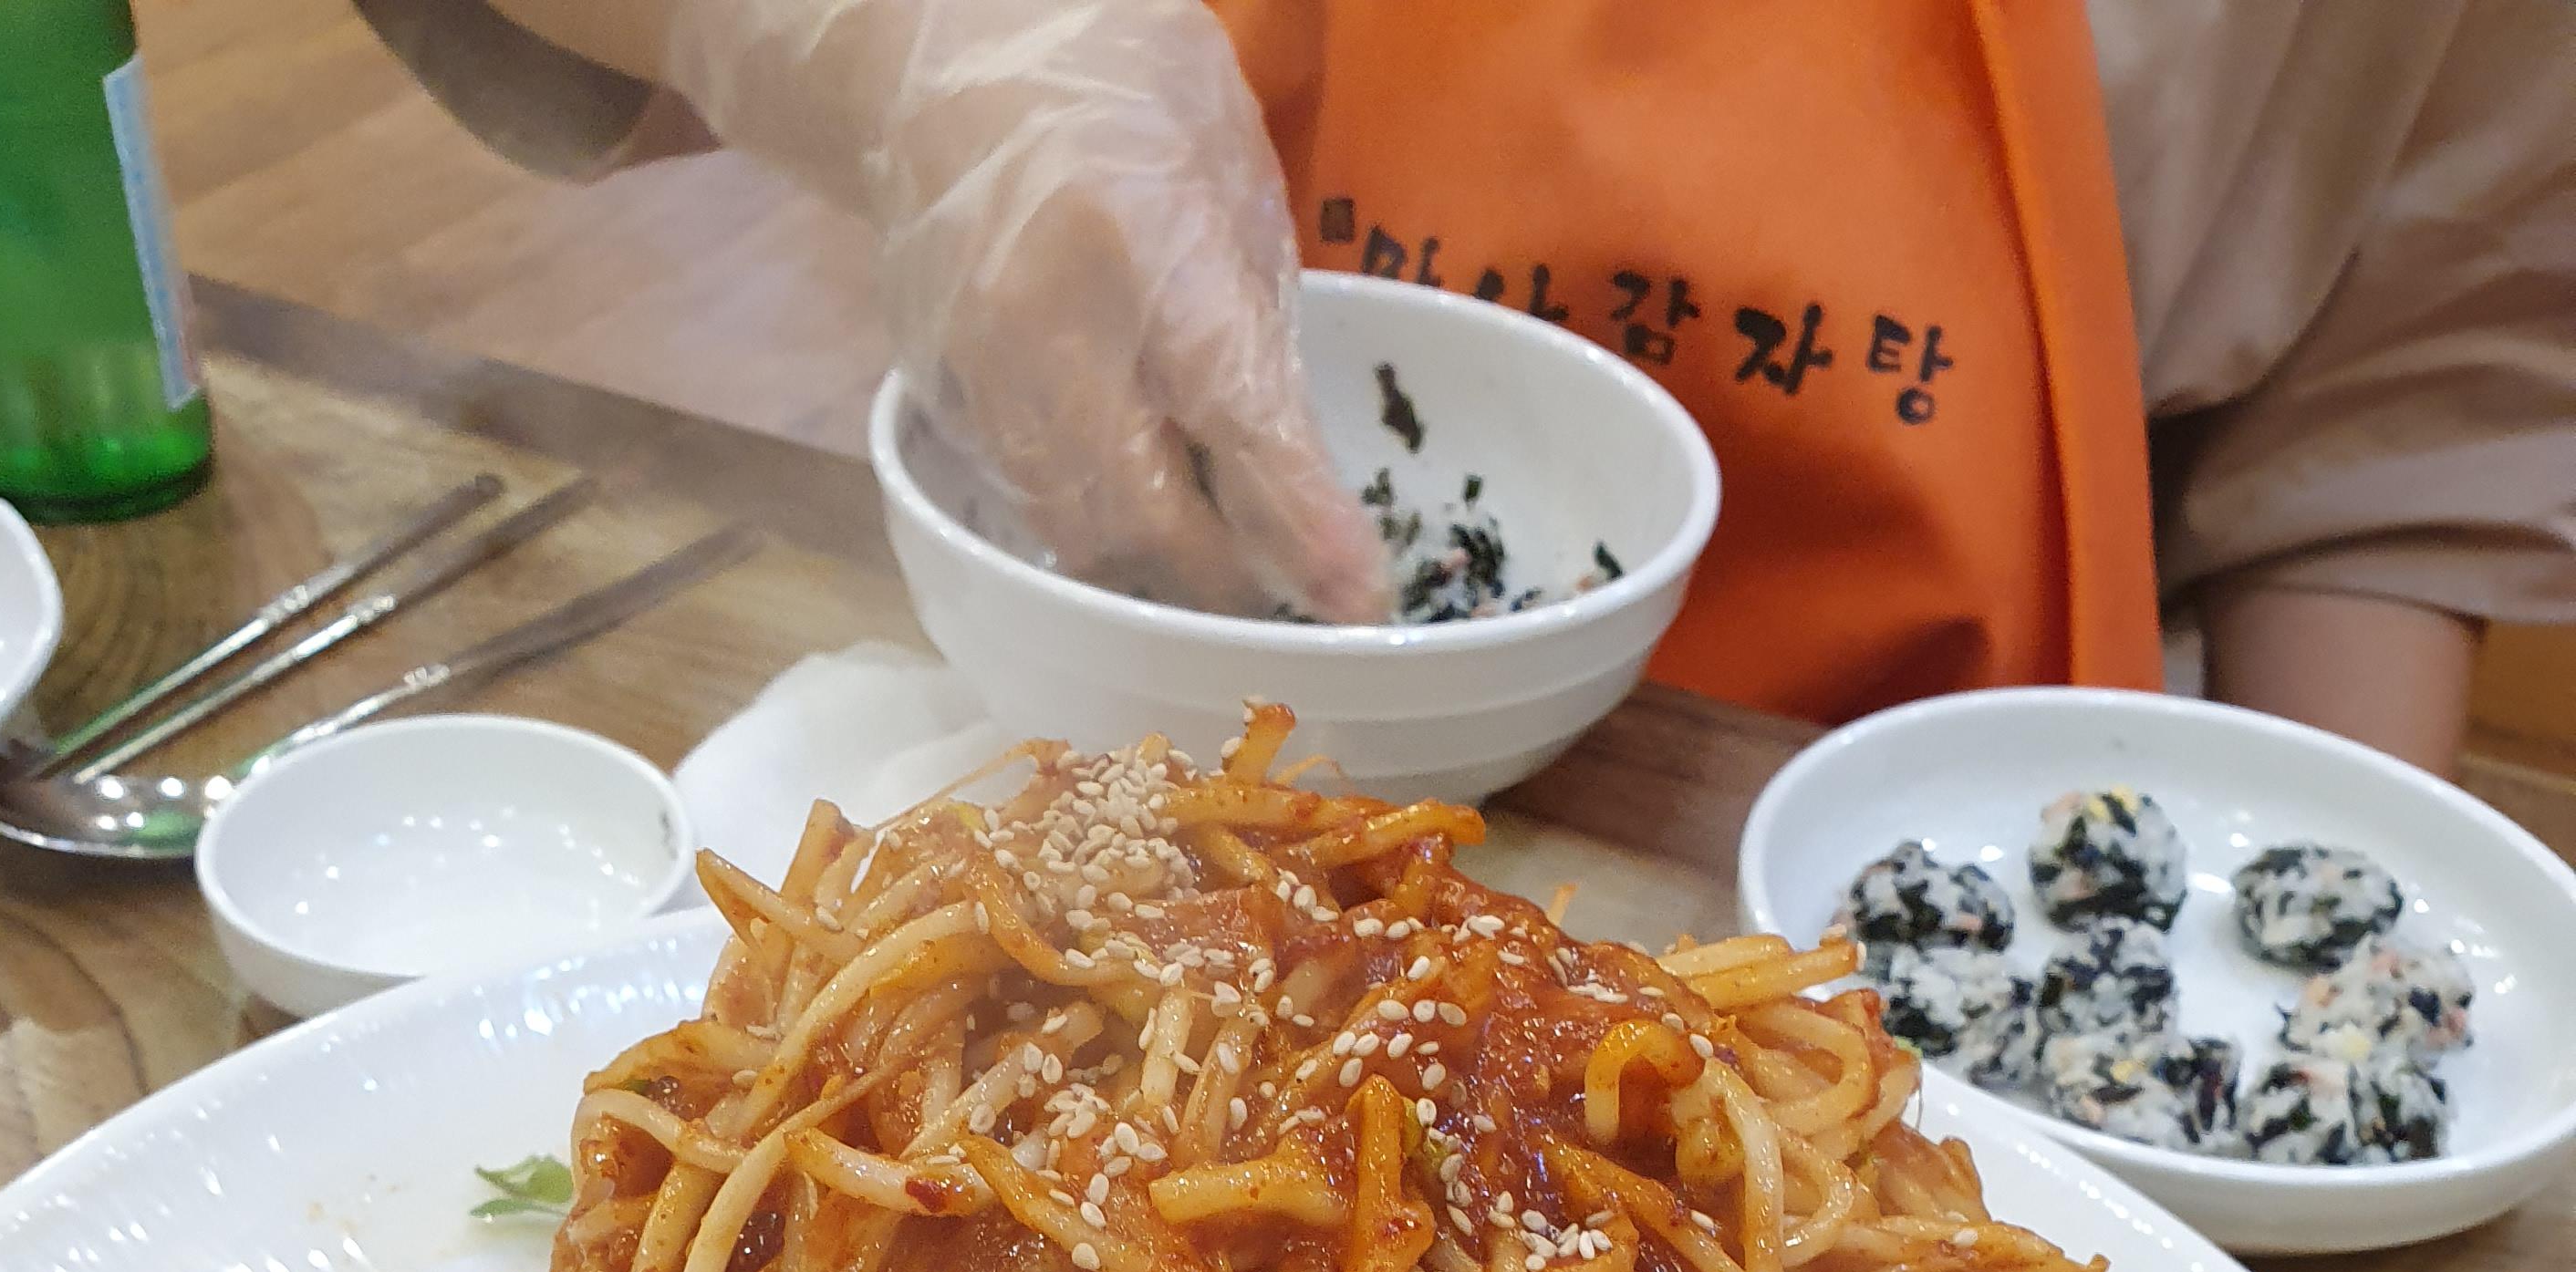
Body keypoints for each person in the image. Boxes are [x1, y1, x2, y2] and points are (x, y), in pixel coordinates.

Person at [355, 0, 2576, 776]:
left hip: (1897, 857)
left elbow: (2400, 421)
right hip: (1126, 711)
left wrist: (2284, 1036)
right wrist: (885, 24)